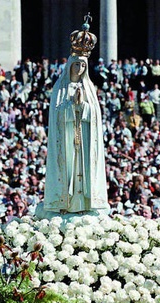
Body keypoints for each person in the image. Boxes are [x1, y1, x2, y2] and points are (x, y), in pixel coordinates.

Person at [40, 19, 109, 217]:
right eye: (76, 65)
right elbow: (56, 116)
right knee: (69, 168)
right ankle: (64, 202)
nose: (79, 69)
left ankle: (86, 201)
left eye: (82, 66)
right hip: (67, 140)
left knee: (83, 169)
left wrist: (83, 107)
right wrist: (71, 107)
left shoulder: (89, 88)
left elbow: (95, 116)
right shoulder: (60, 89)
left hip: (85, 139)